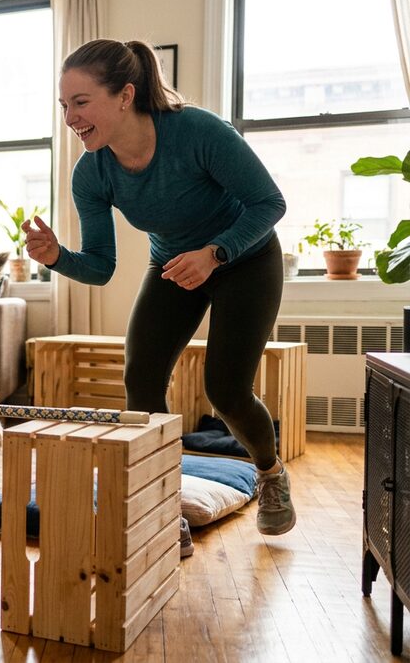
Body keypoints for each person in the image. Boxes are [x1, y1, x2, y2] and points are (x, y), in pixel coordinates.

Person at [24, 39, 295, 538]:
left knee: (226, 390)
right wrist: (57, 257)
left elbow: (269, 203)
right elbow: (101, 267)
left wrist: (215, 253)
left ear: (125, 95)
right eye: (64, 105)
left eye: (81, 103)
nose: (70, 118)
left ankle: (270, 472)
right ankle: (165, 508)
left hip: (246, 258)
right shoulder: (93, 172)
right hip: (174, 266)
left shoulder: (197, 131)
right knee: (142, 381)